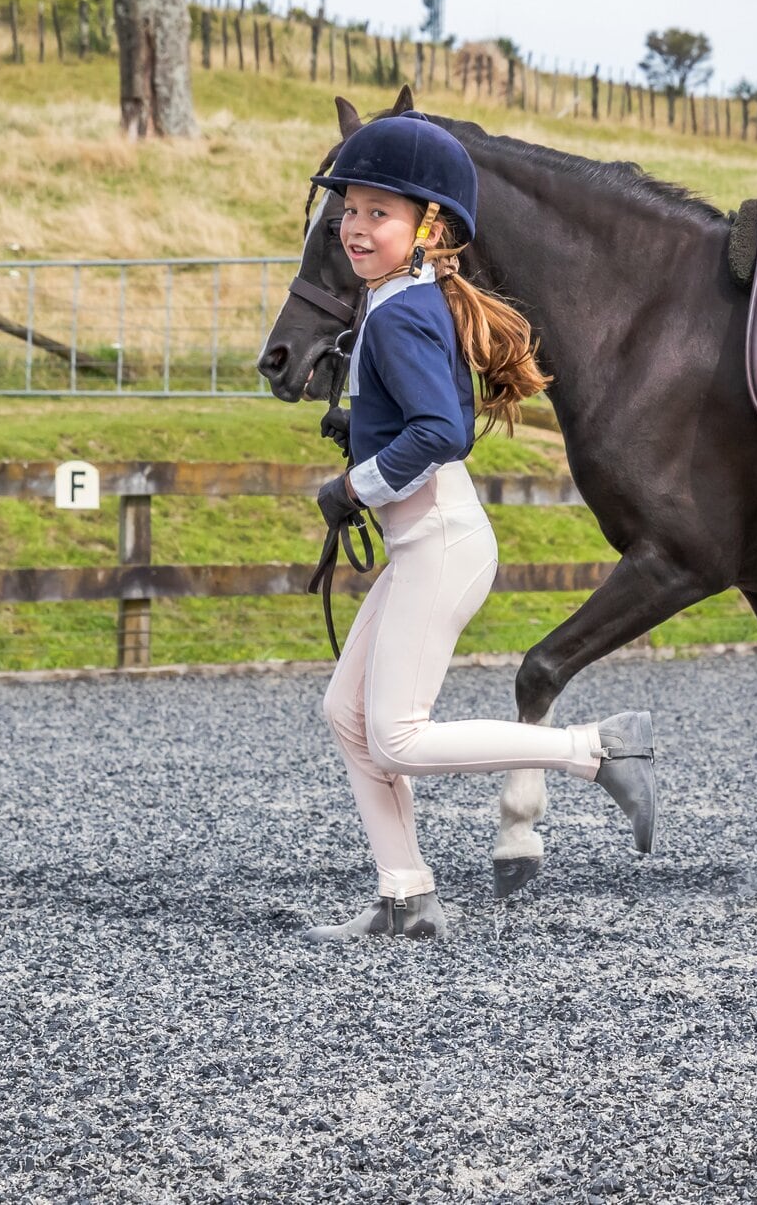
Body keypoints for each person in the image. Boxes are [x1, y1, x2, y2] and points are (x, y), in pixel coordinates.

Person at [304, 111, 657, 942]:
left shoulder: (397, 312)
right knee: (347, 714)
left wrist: (355, 484)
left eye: (376, 215)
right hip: (426, 539)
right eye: (349, 211)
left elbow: (442, 432)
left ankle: (596, 749)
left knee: (393, 732)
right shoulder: (401, 300)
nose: (355, 228)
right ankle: (407, 894)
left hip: (441, 542)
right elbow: (426, 413)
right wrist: (358, 428)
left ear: (429, 228)